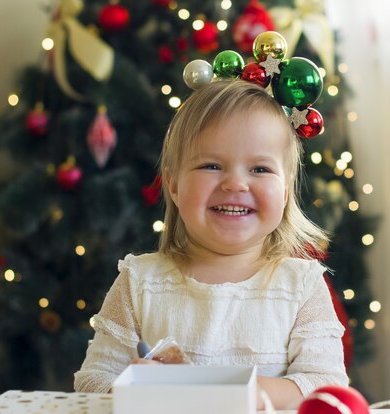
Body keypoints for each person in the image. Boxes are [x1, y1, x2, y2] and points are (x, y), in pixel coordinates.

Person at [74, 79, 348, 409]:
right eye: (211, 166)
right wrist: (133, 387)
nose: (235, 183)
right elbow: (92, 380)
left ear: (286, 190)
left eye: (260, 168)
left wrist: (249, 393)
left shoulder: (301, 286)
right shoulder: (140, 282)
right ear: (174, 184)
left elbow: (326, 384)